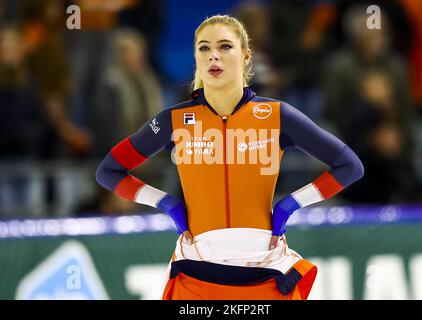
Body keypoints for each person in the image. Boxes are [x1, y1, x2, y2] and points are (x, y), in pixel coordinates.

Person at [95, 14, 364, 300]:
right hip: (196, 274)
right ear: (196, 58)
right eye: (204, 48)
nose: (214, 56)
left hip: (266, 273)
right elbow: (109, 171)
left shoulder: (276, 115)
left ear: (246, 55)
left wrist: (292, 204)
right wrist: (165, 203)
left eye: (225, 46)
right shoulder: (175, 120)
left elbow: (349, 166)